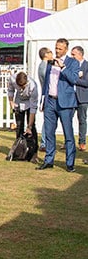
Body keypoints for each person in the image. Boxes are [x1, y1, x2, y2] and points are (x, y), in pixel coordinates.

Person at [38, 38, 79, 172]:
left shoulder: (72, 62)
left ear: (66, 49)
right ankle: (49, 160)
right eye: (56, 48)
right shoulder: (50, 63)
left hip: (65, 103)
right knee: (49, 132)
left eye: (60, 49)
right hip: (50, 101)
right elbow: (46, 82)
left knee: (68, 134)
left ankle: (70, 163)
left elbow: (73, 79)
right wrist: (43, 99)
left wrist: (63, 68)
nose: (57, 51)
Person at [8, 72, 40, 162]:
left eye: (23, 86)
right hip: (18, 102)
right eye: (20, 87)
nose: (21, 88)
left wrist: (29, 126)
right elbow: (10, 90)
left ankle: (34, 154)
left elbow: (33, 108)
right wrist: (11, 102)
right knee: (19, 127)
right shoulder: (12, 79)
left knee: (32, 129)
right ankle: (19, 152)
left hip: (29, 103)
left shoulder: (33, 87)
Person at [36, 47, 53, 152]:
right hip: (48, 96)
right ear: (46, 54)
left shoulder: (43, 65)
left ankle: (44, 142)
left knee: (48, 120)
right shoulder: (45, 66)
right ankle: (44, 143)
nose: (52, 54)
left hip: (46, 95)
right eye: (50, 52)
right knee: (48, 120)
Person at [72, 46, 88, 152]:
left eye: (73, 54)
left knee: (82, 120)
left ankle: (82, 142)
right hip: (71, 97)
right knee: (67, 120)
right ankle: (68, 141)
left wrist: (75, 79)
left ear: (80, 54)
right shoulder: (71, 66)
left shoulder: (87, 66)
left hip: (82, 97)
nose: (72, 56)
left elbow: (86, 82)